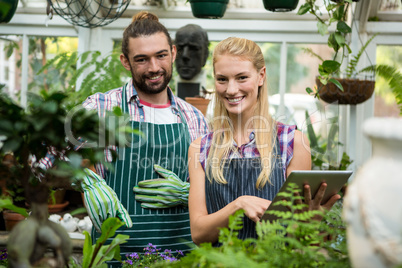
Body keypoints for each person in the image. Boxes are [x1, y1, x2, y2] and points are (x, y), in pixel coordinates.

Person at [80, 11, 209, 265]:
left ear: (172, 53)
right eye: (141, 59)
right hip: (114, 258)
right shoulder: (100, 107)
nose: (154, 68)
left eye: (161, 55)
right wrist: (86, 180)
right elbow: (44, 165)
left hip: (182, 258)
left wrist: (191, 192)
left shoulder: (195, 118)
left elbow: (214, 190)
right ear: (125, 61)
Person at [187, 37, 340, 246]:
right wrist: (239, 205)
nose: (231, 89)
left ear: (261, 76)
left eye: (241, 78)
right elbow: (199, 232)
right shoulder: (200, 148)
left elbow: (297, 239)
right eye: (222, 79)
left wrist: (311, 222)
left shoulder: (292, 143)